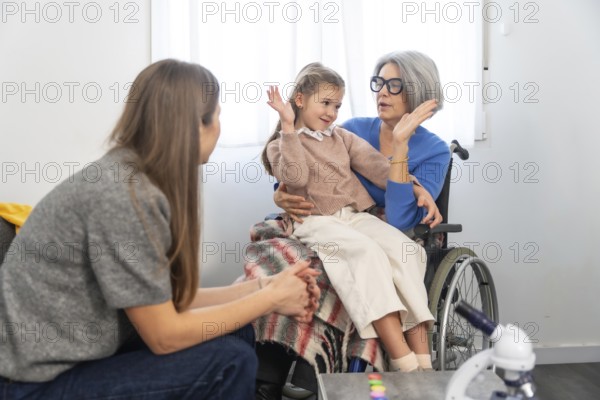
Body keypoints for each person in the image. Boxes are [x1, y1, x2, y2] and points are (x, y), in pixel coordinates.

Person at [0, 59, 320, 400]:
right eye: (218, 115)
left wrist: (261, 287)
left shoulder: (136, 179)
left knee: (234, 334)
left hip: (79, 356)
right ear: (194, 124)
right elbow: (164, 334)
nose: (220, 127)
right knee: (231, 362)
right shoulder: (123, 196)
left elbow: (167, 302)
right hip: (33, 385)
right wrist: (270, 298)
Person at [254, 51, 450, 398]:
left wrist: (410, 171)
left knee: (405, 251)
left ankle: (425, 362)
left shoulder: (433, 151)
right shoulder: (347, 129)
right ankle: (399, 363)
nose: (382, 93)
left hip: (367, 220)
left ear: (417, 93)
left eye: (394, 85)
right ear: (301, 99)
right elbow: (294, 178)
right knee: (361, 257)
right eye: (379, 83)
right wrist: (279, 194)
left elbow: (391, 193)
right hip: (322, 223)